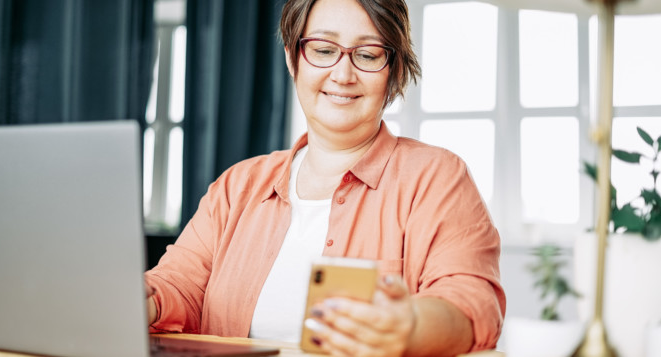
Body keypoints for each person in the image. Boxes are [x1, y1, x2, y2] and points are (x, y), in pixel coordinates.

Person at [144, 0, 505, 355]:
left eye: (367, 55)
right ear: (292, 58)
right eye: (322, 49)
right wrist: (145, 301)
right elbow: (179, 286)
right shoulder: (236, 186)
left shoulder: (437, 178)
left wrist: (410, 325)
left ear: (394, 69)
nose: (343, 74)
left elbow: (472, 303)